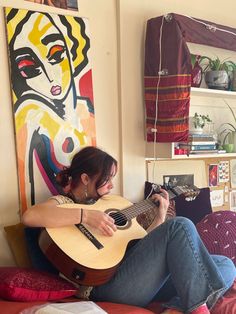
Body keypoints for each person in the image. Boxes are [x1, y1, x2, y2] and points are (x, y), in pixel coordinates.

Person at [22, 146, 236, 314]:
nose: (112, 186)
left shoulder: (109, 203)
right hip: (103, 286)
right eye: (107, 179)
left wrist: (160, 215)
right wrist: (86, 216)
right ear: (86, 178)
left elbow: (142, 245)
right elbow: (29, 217)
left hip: (135, 279)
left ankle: (175, 309)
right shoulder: (63, 202)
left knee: (226, 266)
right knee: (180, 224)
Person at [6, 9, 95, 209]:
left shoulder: (85, 110)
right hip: (60, 223)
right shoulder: (32, 118)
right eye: (30, 68)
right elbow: (29, 212)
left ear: (72, 51)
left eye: (56, 55)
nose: (50, 76)